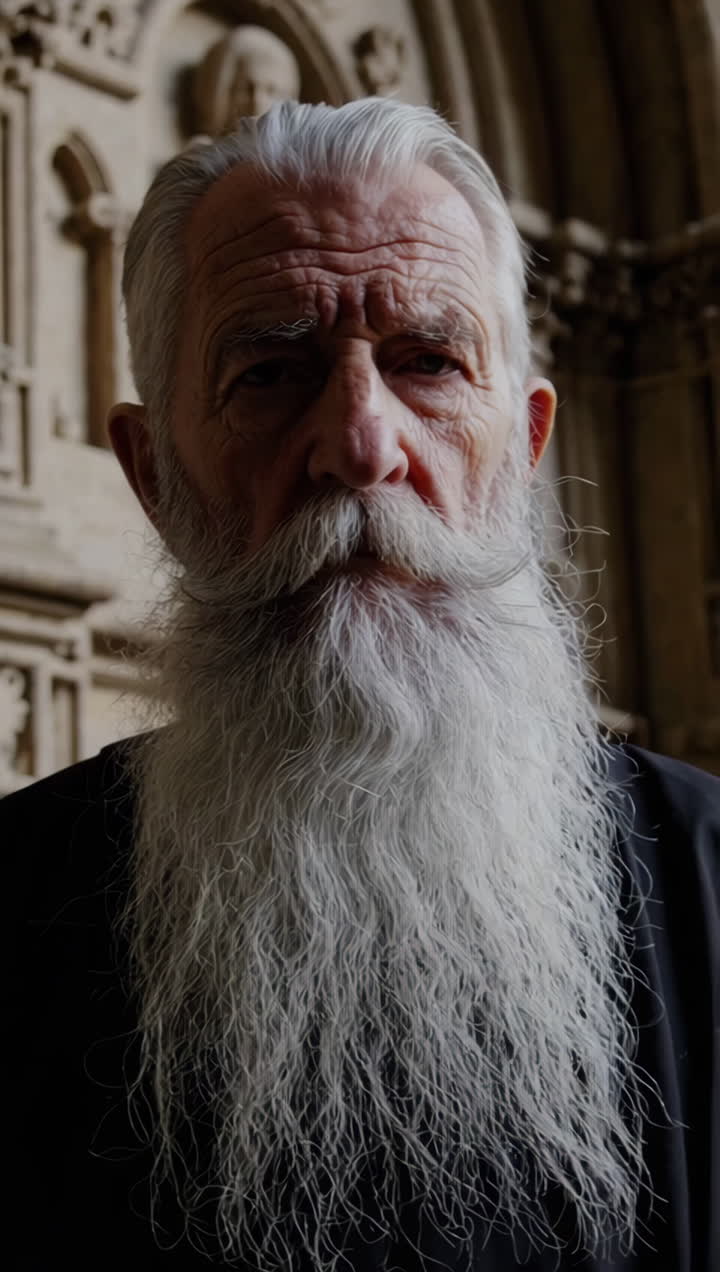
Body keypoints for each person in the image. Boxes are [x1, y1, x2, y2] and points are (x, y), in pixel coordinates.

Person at [5, 98, 718, 1271]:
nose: (359, 443)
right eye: (271, 372)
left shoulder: (710, 882)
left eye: (429, 361)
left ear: (525, 447)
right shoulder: (16, 907)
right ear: (153, 476)